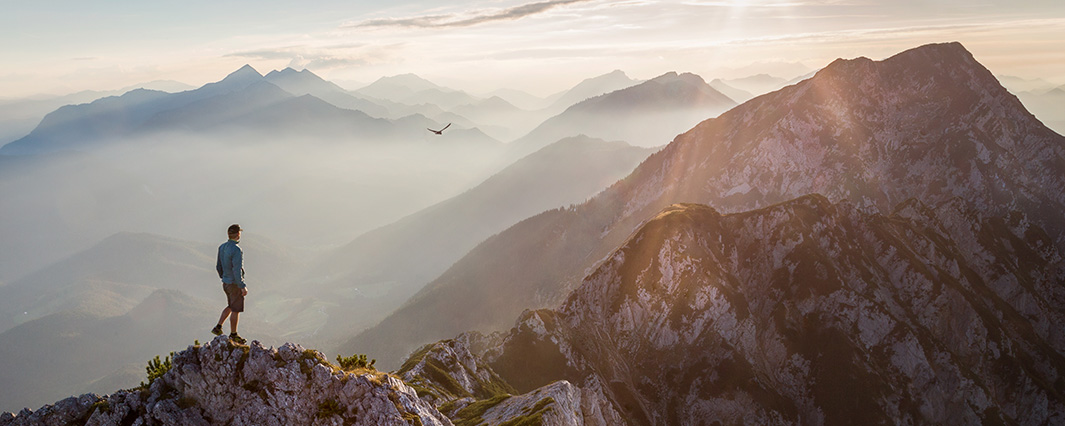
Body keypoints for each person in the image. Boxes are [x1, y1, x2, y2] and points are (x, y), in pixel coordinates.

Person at [212, 224, 247, 344]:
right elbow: (237, 270)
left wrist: (224, 277)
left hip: (226, 283)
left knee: (231, 305)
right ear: (238, 234)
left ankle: (218, 327)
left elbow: (218, 266)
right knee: (236, 309)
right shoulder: (237, 250)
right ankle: (233, 334)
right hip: (234, 284)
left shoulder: (222, 247)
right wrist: (242, 286)